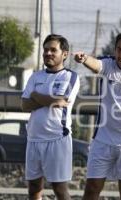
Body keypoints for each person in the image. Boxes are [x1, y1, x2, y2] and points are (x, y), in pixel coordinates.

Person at [73, 32, 121, 200]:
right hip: (103, 140)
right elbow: (96, 64)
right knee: (92, 188)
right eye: (119, 50)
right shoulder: (109, 64)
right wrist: (84, 58)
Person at [21, 34, 80, 200]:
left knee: (59, 189)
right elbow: (25, 105)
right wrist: (48, 99)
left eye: (53, 50)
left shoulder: (70, 76)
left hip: (57, 139)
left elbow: (61, 102)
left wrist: (35, 95)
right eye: (45, 50)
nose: (48, 53)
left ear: (65, 54)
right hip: (33, 139)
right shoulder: (35, 76)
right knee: (33, 189)